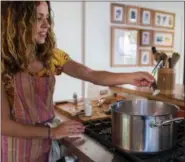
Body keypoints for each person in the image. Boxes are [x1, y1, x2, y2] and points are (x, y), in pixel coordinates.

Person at [1, 1, 155, 162]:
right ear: (17, 22)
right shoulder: (3, 62)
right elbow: (4, 125)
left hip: (45, 146)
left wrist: (130, 76)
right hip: (15, 149)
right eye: (38, 18)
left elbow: (91, 74)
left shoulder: (52, 56)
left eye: (47, 18)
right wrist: (52, 132)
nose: (47, 24)